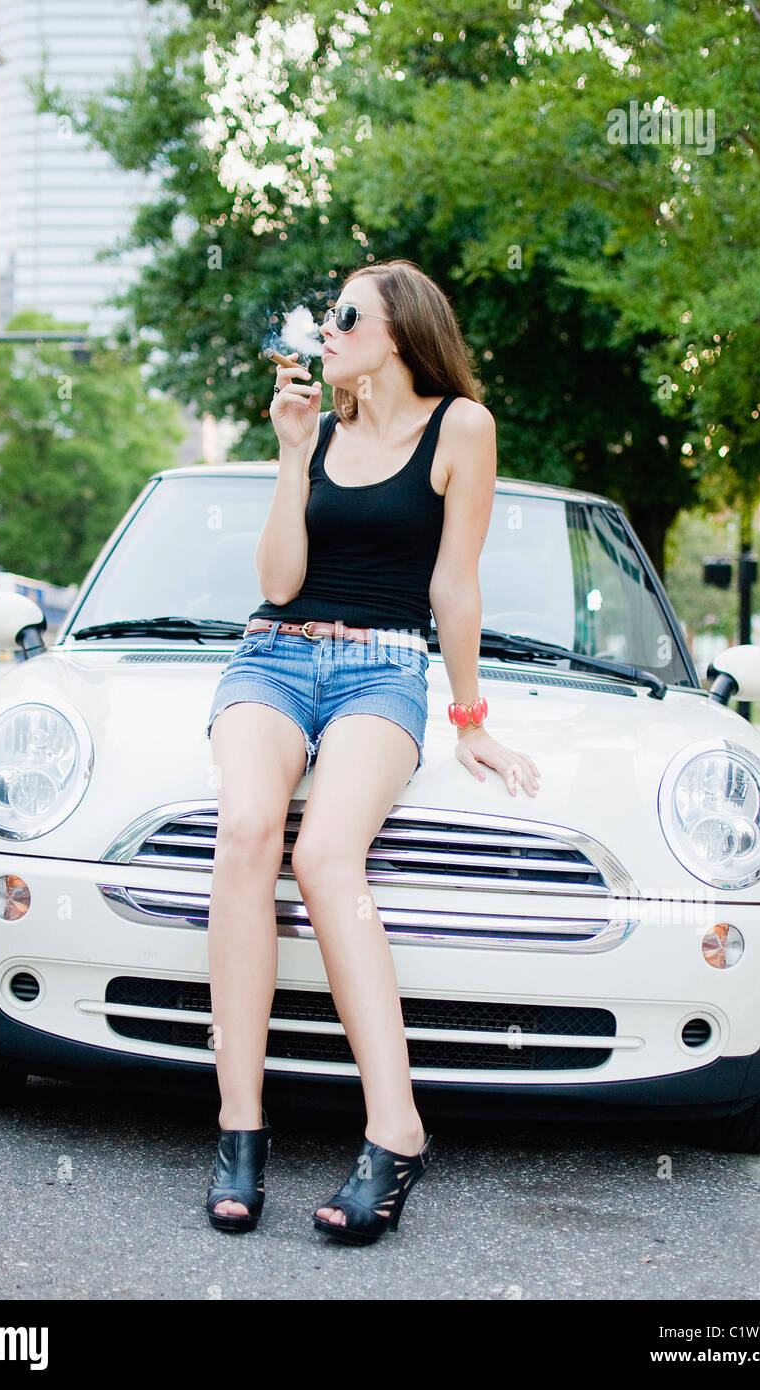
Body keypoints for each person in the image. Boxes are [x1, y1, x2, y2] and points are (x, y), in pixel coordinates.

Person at [203, 258, 542, 1246]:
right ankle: (238, 1124)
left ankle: (394, 1129)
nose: (327, 327)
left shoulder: (459, 428)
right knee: (246, 828)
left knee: (322, 855)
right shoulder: (317, 430)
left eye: (344, 313)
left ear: (398, 330)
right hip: (270, 657)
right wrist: (289, 454)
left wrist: (470, 720)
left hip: (381, 671)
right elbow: (275, 579)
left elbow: (453, 587)